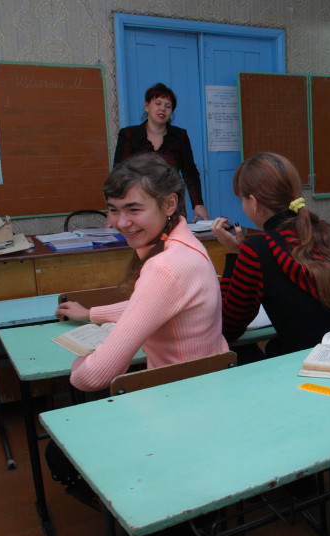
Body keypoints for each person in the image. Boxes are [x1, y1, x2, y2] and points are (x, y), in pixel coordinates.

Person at [46, 153, 228, 505]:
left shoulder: (164, 267)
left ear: (169, 203)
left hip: (177, 408)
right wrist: (93, 313)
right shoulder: (187, 245)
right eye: (113, 210)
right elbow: (157, 305)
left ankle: (147, 511)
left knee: (58, 453)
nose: (121, 222)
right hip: (206, 394)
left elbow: (94, 376)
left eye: (133, 209)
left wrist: (78, 361)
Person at [210, 152, 330, 361]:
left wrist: (233, 255)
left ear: (254, 203)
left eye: (242, 200)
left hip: (304, 369)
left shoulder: (257, 251)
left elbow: (228, 328)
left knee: (242, 352)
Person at [113, 82, 209, 221]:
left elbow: (190, 172)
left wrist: (198, 204)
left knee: (174, 234)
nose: (162, 109)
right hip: (138, 203)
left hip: (171, 204)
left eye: (168, 106)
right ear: (147, 106)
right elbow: (119, 173)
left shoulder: (179, 136)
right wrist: (115, 210)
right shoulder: (129, 134)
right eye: (158, 103)